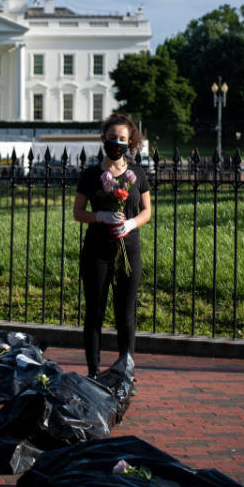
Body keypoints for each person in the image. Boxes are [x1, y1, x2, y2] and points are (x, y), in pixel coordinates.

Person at [73, 112, 152, 378]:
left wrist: (131, 224)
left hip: (128, 249)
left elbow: (147, 211)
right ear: (103, 139)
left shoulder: (136, 174)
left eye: (122, 139)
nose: (116, 143)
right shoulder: (92, 175)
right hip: (97, 250)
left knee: (126, 314)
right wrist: (100, 216)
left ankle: (125, 372)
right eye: (111, 138)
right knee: (95, 312)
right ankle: (93, 372)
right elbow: (77, 212)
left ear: (130, 142)